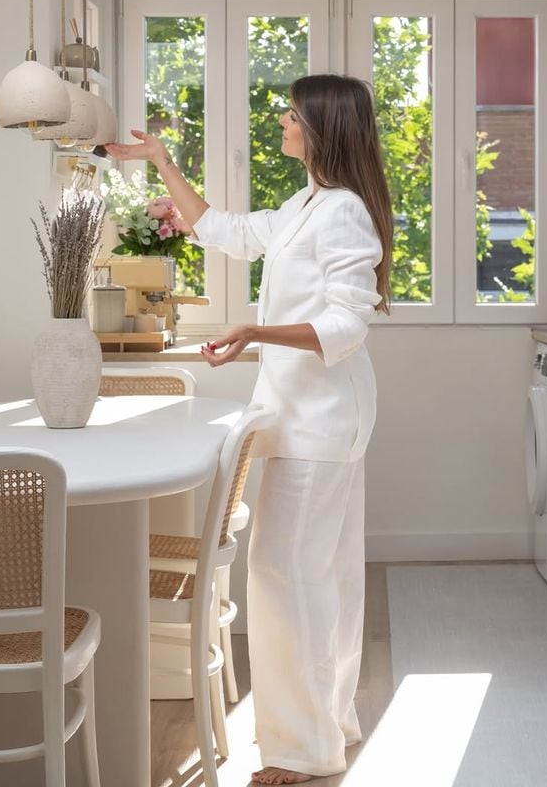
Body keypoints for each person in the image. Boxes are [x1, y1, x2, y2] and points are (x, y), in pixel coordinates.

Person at [106, 74, 393, 786]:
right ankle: (330, 727)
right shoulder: (308, 203)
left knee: (284, 572)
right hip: (301, 414)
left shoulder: (344, 213)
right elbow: (224, 232)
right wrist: (163, 162)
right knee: (320, 575)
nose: (283, 123)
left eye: (293, 116)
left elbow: (347, 322)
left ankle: (302, 751)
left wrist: (255, 331)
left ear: (323, 127)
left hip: (322, 419)